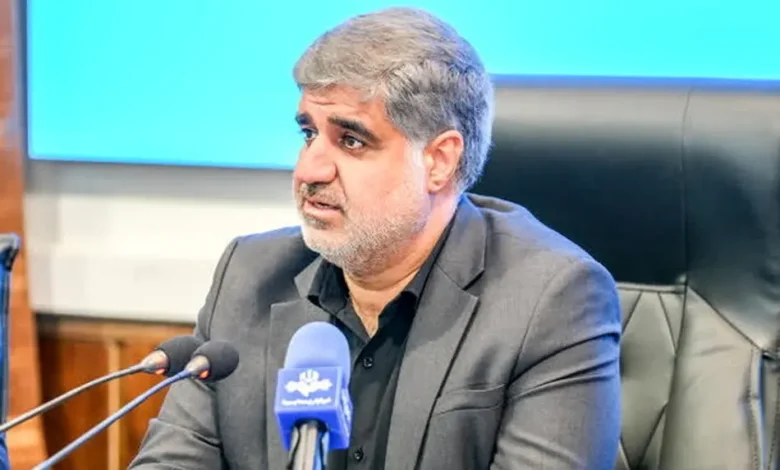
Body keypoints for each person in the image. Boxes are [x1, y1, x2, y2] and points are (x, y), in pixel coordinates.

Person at [129, 6, 621, 469]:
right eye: (308, 134)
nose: (309, 170)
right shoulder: (249, 276)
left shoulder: (550, 301)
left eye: (351, 140)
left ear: (438, 161)